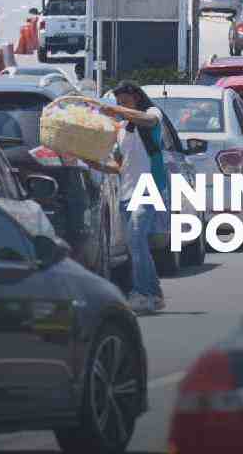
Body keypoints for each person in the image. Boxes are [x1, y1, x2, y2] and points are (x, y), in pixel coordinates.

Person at [97, 81, 168, 315]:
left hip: (148, 187)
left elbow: (148, 122)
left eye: (125, 101)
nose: (121, 106)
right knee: (133, 244)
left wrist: (117, 112)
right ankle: (154, 294)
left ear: (136, 97)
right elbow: (118, 166)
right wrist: (92, 163)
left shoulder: (151, 113)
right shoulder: (122, 131)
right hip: (127, 191)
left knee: (136, 237)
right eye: (118, 103)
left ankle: (143, 293)